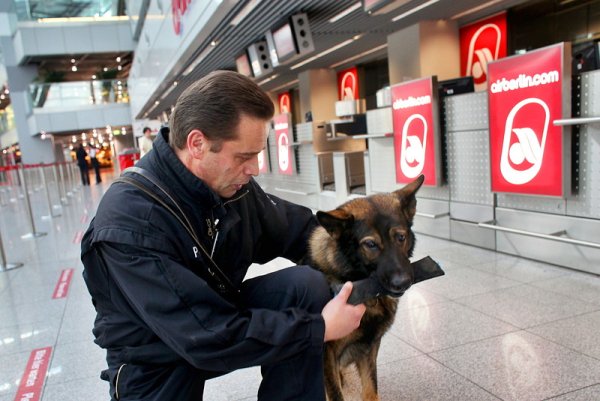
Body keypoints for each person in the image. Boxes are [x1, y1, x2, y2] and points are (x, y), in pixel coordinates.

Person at [81, 70, 366, 401]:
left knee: (304, 287)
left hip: (216, 313)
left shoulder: (231, 186)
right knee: (300, 327)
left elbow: (299, 231)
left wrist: (366, 258)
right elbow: (203, 336)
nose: (256, 168)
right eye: (245, 156)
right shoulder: (130, 223)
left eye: (257, 154)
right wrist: (319, 329)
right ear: (198, 144)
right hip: (154, 357)